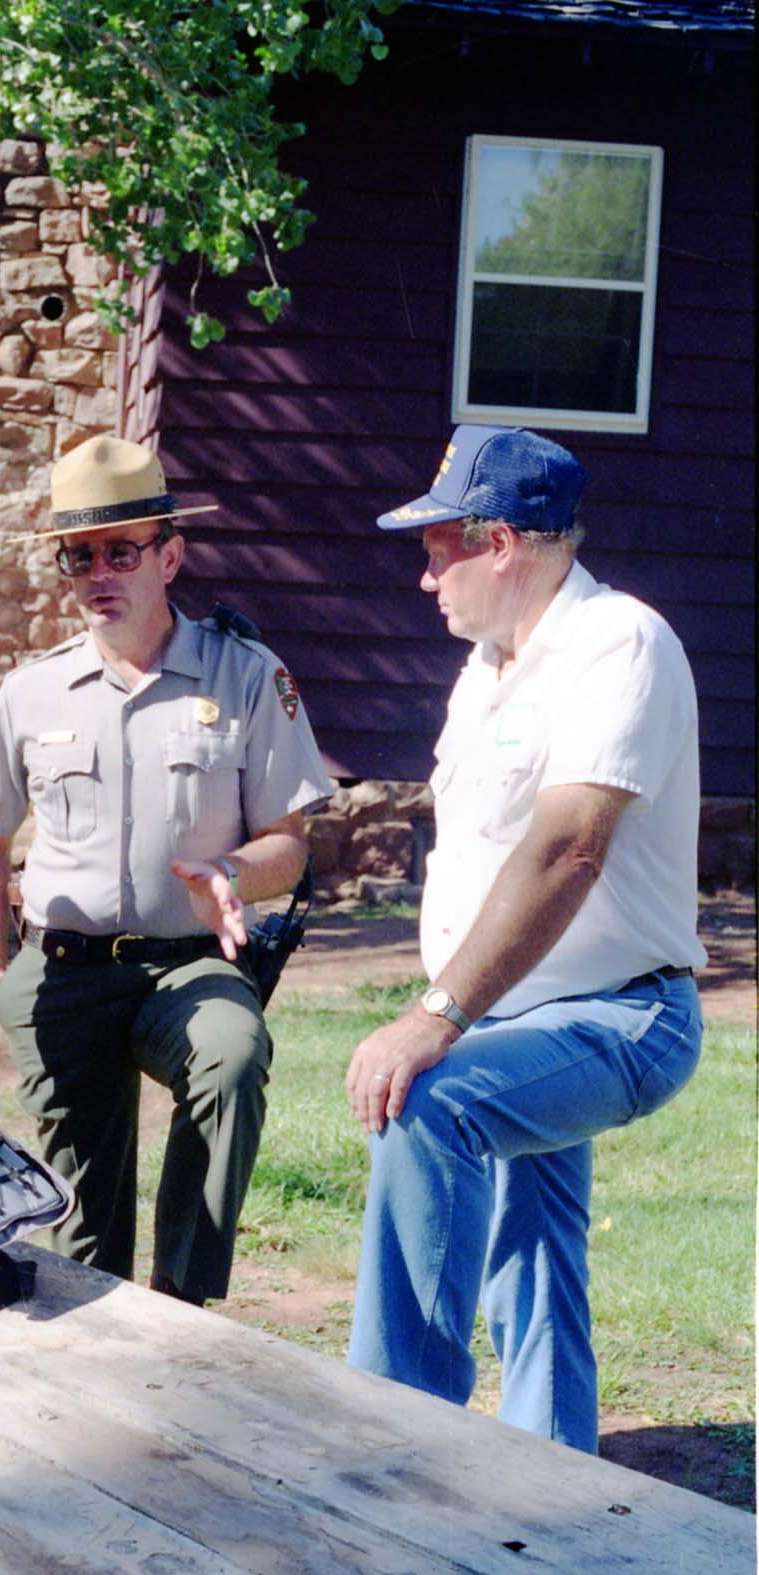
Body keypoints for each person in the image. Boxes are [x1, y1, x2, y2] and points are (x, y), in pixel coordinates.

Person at [344, 424, 706, 1455]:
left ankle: (387, 1439)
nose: (426, 578)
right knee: (535, 1252)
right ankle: (557, 1478)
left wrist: (434, 1016)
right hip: (519, 1014)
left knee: (427, 1106)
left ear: (500, 542)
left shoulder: (619, 643)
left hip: (621, 1014)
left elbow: (566, 850)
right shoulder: (490, 668)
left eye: (436, 547)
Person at [0, 435, 333, 1306]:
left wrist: (232, 873)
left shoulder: (247, 676)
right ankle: (96, 1362)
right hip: (65, 972)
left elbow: (290, 840)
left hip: (190, 965)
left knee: (233, 1062)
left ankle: (181, 1298)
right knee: (81, 1237)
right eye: (78, 555)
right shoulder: (31, 692)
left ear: (170, 556)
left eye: (120, 551)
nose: (99, 573)